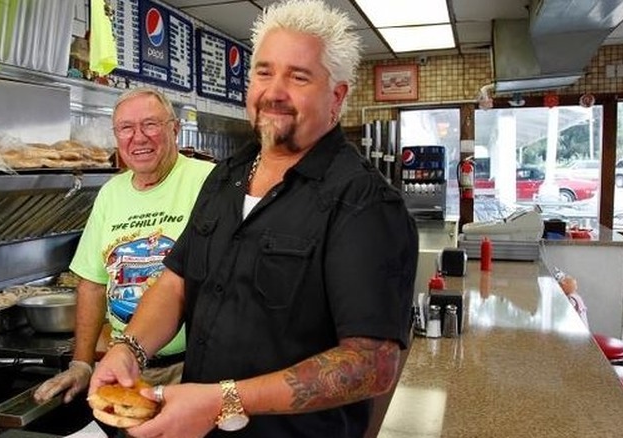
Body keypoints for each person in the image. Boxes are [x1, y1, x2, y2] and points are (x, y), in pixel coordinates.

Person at [90, 1, 418, 437]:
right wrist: (129, 349)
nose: (274, 91)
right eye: (264, 72)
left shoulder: (365, 203)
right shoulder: (225, 178)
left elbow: (371, 364)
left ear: (336, 96)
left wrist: (222, 400)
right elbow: (176, 282)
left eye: (299, 76)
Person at [33, 87, 214, 405]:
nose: (138, 137)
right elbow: (91, 284)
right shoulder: (110, 193)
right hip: (125, 371)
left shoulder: (210, 181)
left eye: (150, 124)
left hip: (196, 369)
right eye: (126, 128)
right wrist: (82, 363)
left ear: (174, 128)